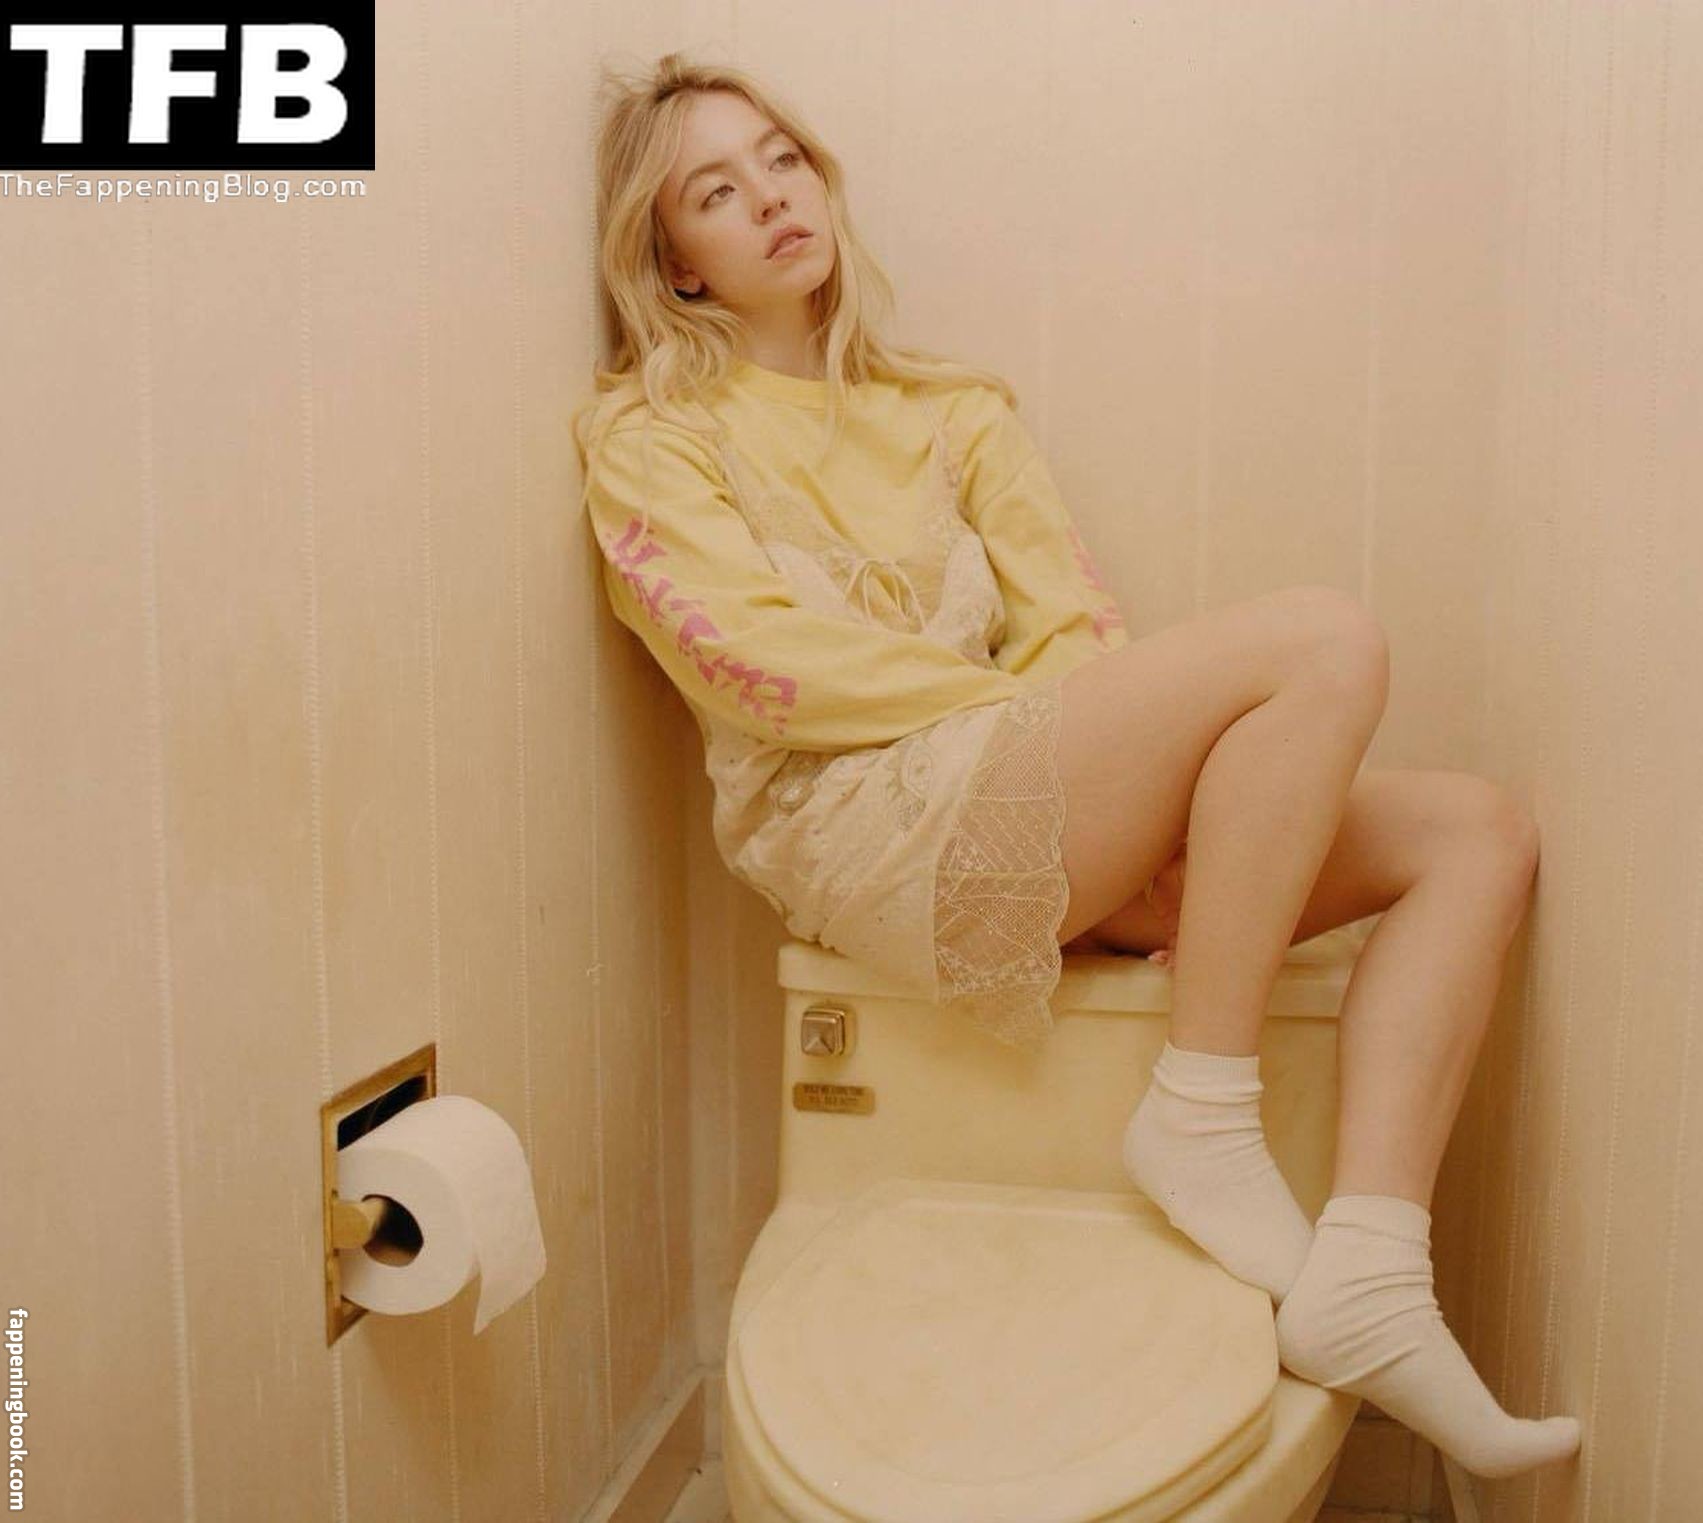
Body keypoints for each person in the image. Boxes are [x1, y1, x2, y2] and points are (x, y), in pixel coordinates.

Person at [571, 52, 1580, 1482]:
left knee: (1477, 834)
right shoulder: (650, 438)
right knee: (1325, 641)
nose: (773, 198)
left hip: (1019, 797)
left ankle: (1370, 1267)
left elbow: (1071, 631)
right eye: (717, 194)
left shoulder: (955, 411)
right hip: (861, 832)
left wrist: (1131, 801)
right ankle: (1203, 1113)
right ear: (676, 263)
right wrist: (1028, 733)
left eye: (782, 160)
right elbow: (759, 664)